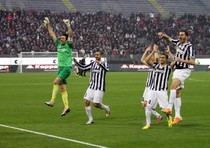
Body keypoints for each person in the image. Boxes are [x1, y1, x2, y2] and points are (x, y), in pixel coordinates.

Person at [158, 30, 195, 125]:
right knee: (177, 93)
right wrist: (163, 35)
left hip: (184, 70)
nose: (180, 36)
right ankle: (178, 116)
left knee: (173, 87)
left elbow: (193, 62)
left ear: (186, 36)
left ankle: (169, 108)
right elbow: (169, 39)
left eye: (182, 35)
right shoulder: (178, 42)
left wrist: (180, 60)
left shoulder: (189, 47)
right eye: (179, 35)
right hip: (177, 70)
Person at [44, 17, 73, 116]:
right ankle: (66, 107)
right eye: (60, 38)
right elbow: (52, 34)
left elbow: (70, 34)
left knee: (55, 82)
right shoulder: (58, 44)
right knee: (63, 89)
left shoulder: (69, 46)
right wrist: (48, 24)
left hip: (66, 68)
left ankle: (52, 101)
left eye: (63, 38)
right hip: (60, 68)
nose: (61, 39)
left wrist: (68, 25)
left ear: (66, 39)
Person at [73, 51, 110, 125]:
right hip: (91, 86)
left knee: (96, 104)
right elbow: (83, 67)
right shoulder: (92, 63)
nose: (96, 56)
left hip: (100, 87)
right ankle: (90, 119)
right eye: (95, 54)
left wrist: (100, 65)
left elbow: (107, 69)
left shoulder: (104, 63)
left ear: (101, 55)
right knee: (86, 101)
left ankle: (106, 108)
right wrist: (76, 63)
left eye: (98, 55)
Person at [142, 44, 174, 129]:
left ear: (166, 59)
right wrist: (153, 51)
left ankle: (169, 118)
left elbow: (175, 61)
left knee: (165, 109)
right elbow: (146, 60)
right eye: (160, 58)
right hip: (152, 90)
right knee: (148, 106)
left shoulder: (168, 68)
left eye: (163, 58)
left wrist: (169, 52)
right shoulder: (155, 66)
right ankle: (148, 124)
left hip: (162, 91)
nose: (161, 59)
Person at [140, 45, 163, 124]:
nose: (151, 56)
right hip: (147, 87)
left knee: (147, 105)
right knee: (143, 104)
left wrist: (155, 51)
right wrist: (146, 51)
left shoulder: (158, 66)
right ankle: (158, 116)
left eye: (152, 56)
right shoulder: (150, 65)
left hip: (152, 88)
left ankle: (148, 121)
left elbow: (157, 59)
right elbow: (142, 59)